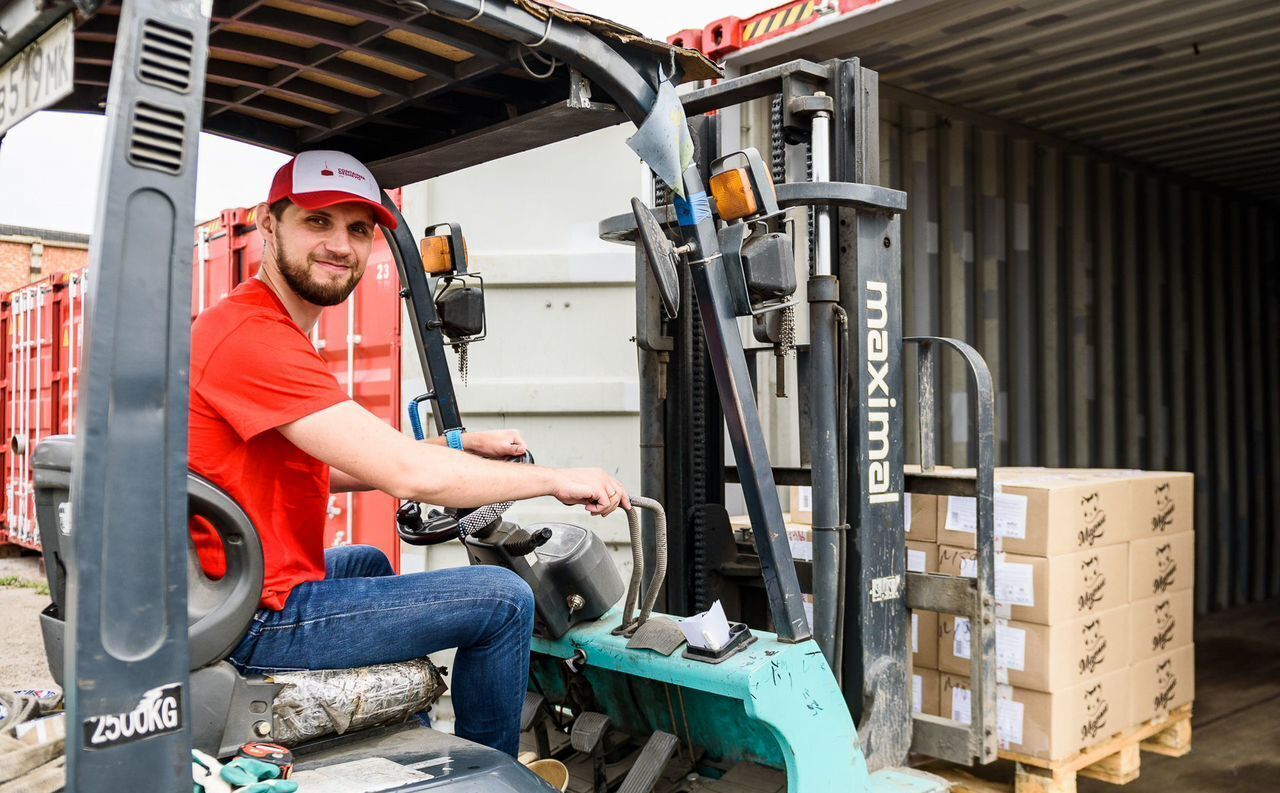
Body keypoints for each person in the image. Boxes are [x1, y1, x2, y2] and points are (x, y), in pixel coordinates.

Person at [187, 150, 629, 757]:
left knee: (366, 560)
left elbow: (332, 463)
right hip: (251, 620)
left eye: (358, 229)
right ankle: (489, 776)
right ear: (270, 223)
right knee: (502, 601)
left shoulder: (256, 325)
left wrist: (454, 445)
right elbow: (406, 476)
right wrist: (554, 480)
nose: (340, 245)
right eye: (318, 221)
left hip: (228, 590)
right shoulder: (254, 338)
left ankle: (405, 750)